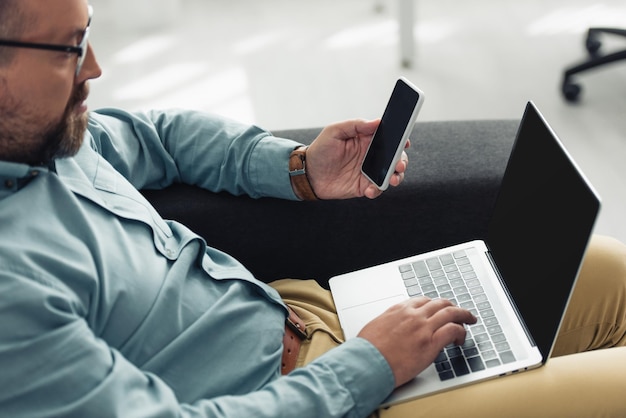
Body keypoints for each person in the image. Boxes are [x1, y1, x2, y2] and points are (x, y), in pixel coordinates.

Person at [0, 0, 625, 417]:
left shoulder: (46, 137)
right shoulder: (11, 295)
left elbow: (153, 136)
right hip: (328, 395)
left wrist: (297, 169)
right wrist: (369, 365)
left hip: (312, 312)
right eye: (71, 47)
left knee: (612, 276)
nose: (96, 67)